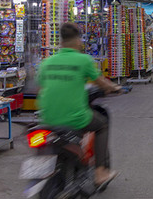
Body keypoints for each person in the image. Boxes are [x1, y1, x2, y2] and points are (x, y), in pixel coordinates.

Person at [37, 23, 119, 188]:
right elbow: (101, 82)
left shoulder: (47, 62)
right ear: (77, 41)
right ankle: (100, 172)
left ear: (61, 42)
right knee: (102, 125)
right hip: (75, 117)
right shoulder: (83, 60)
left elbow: (41, 88)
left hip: (47, 118)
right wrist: (114, 88)